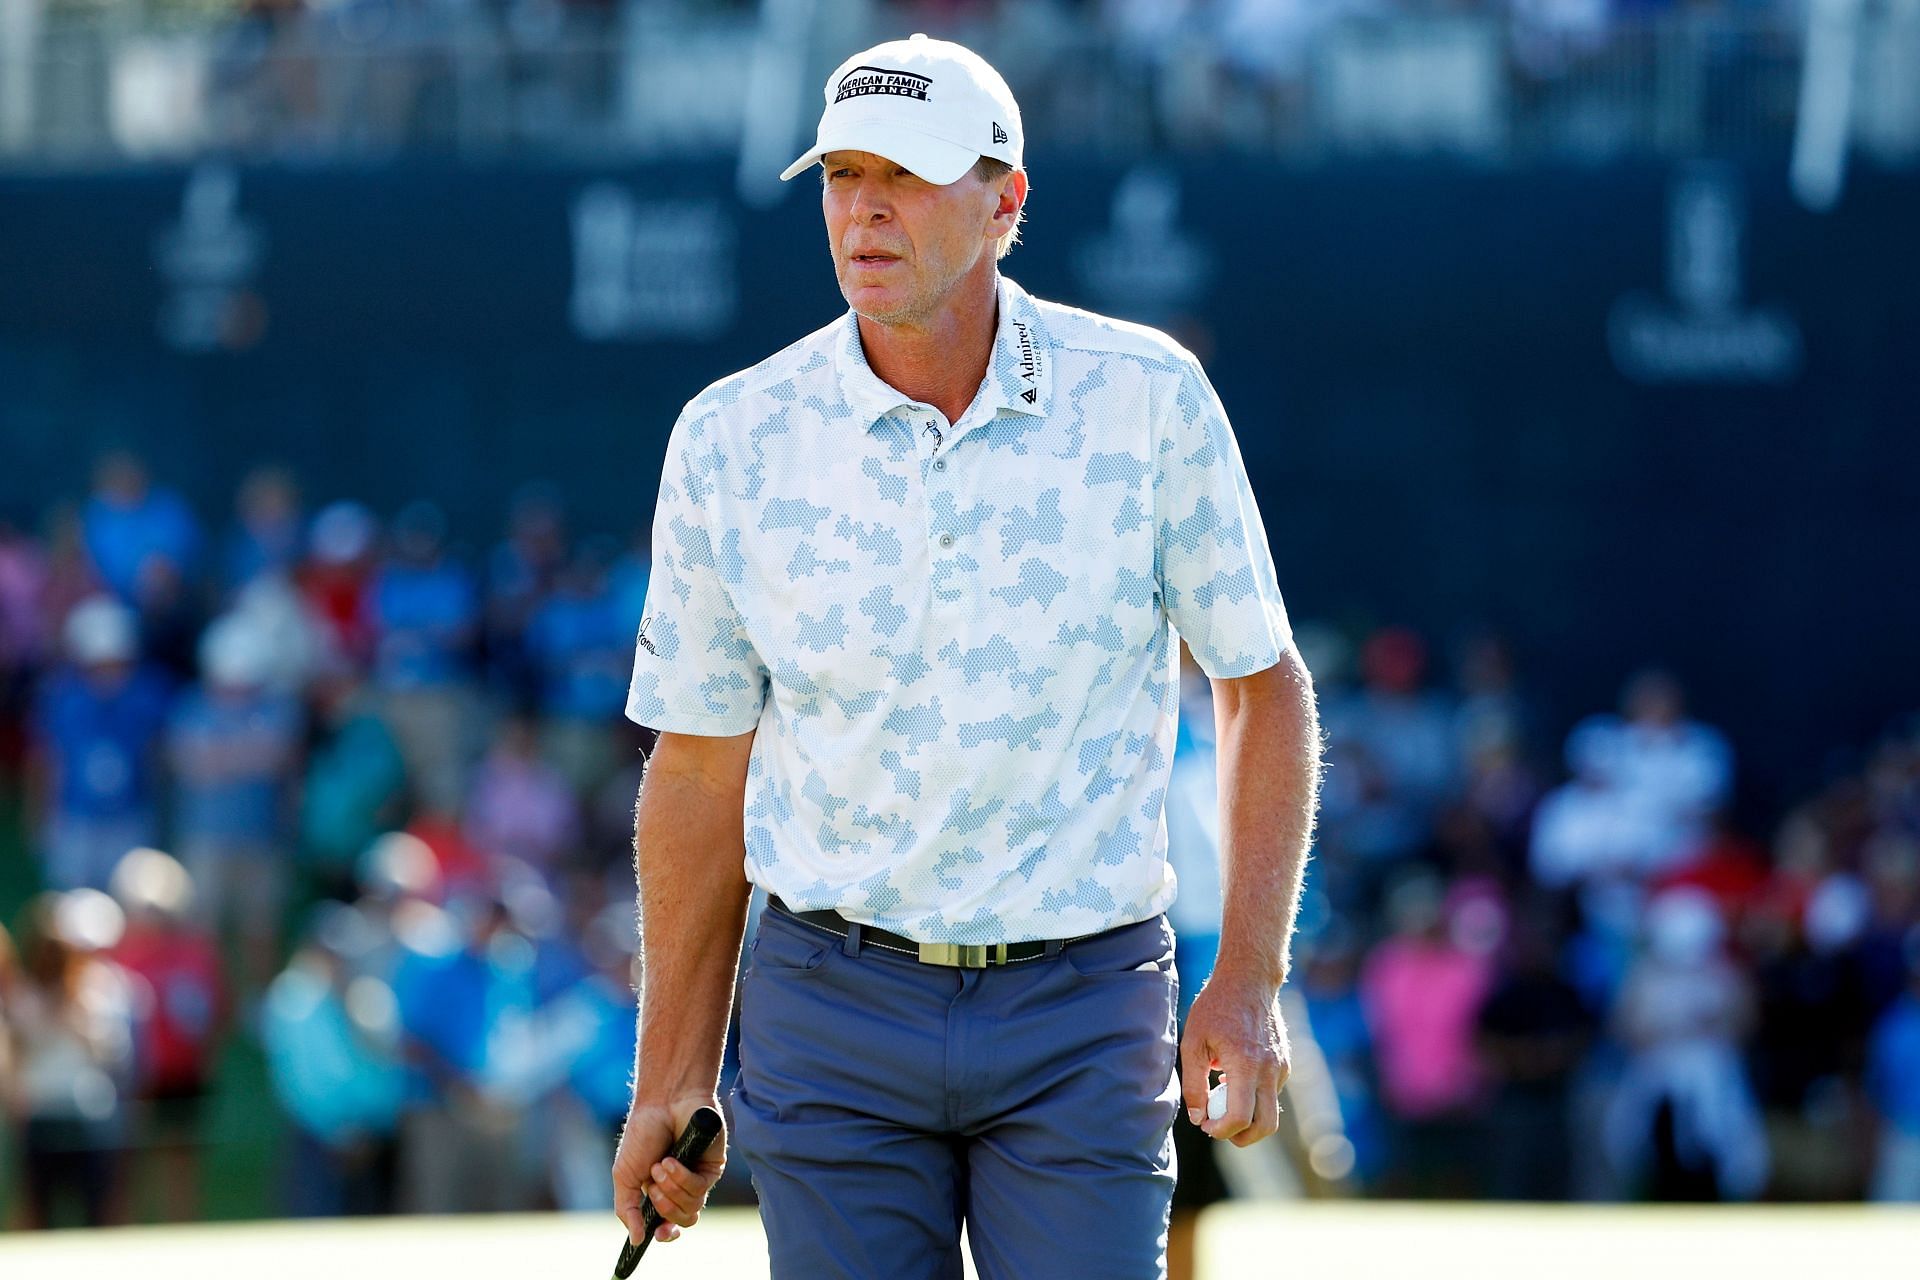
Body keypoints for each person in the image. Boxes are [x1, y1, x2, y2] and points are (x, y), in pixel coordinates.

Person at [611, 34, 1320, 1279]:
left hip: (1083, 996)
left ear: (1009, 200)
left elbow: (1262, 686)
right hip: (827, 1005)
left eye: (909, 173)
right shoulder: (732, 436)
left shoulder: (1146, 399)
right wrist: (672, 1069)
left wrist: (1248, 977)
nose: (866, 209)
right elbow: (699, 770)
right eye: (841, 174)